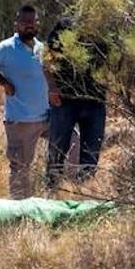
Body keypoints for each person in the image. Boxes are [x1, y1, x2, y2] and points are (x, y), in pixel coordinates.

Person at [0, 5, 50, 199]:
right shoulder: (7, 47)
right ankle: (19, 210)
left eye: (33, 22)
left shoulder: (41, 47)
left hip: (47, 117)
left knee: (72, 144)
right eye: (25, 22)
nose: (29, 26)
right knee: (20, 166)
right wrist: (4, 82)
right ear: (16, 24)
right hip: (21, 120)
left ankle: (61, 195)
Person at [45, 15, 109, 187]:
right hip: (65, 100)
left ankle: (84, 194)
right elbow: (46, 59)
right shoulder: (64, 25)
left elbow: (114, 61)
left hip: (95, 101)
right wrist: (51, 87)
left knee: (91, 155)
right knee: (57, 151)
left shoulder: (105, 29)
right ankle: (51, 191)